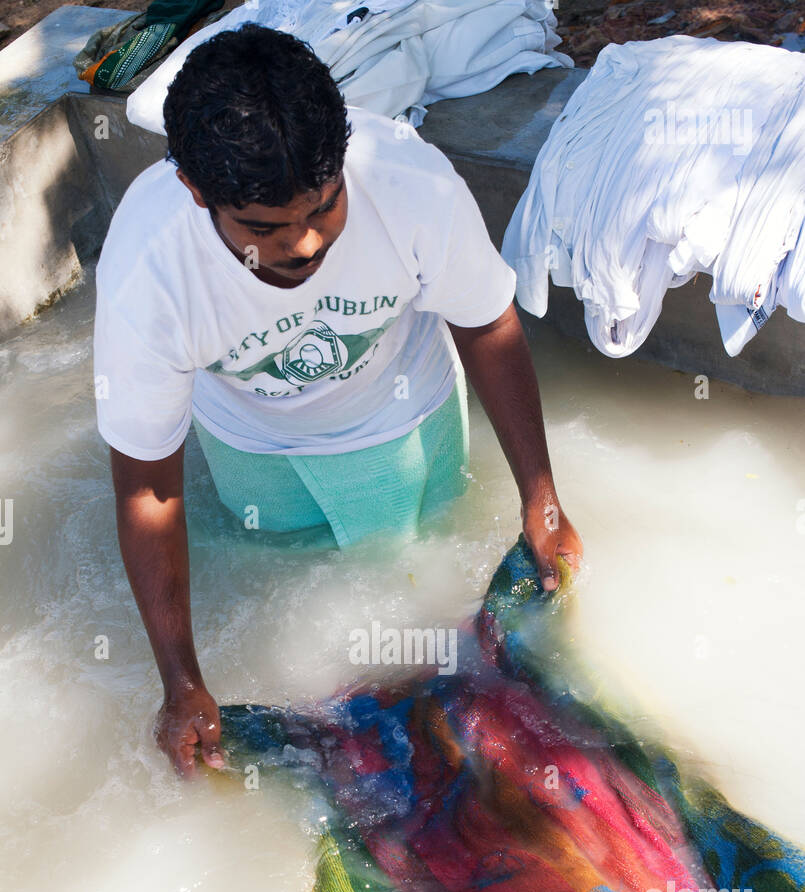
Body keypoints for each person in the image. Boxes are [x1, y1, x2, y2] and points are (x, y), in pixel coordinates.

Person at [94, 22, 583, 778]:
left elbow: (486, 324)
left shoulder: (411, 186)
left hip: (403, 416)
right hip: (252, 445)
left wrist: (540, 498)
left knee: (418, 573)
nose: (302, 247)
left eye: (322, 209)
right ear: (196, 191)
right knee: (282, 569)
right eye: (264, 228)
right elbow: (152, 487)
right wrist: (182, 682)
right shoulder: (147, 274)